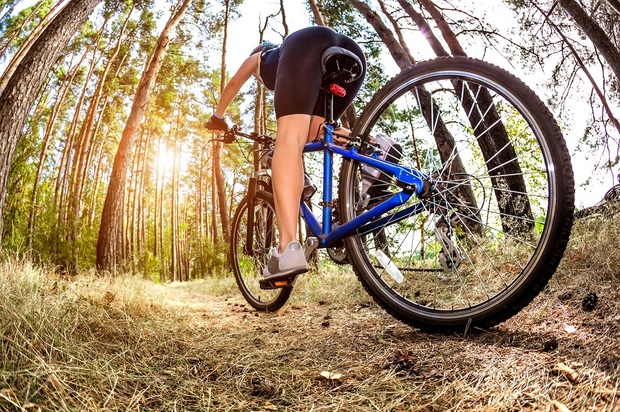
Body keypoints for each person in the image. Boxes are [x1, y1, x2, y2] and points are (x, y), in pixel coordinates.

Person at [206, 26, 366, 280]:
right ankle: (378, 153)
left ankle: (288, 248)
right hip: (353, 53)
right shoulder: (288, 59)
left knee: (288, 140)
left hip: (307, 46)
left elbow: (235, 82)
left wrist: (218, 117)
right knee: (319, 132)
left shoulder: (261, 57)